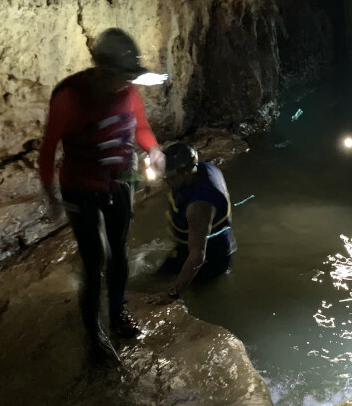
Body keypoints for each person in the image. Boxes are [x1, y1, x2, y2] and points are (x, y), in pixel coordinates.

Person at [38, 28, 165, 364]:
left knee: (119, 254)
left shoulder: (128, 90)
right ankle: (95, 335)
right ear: (101, 69)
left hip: (122, 181)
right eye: (120, 77)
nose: (126, 83)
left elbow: (139, 126)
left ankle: (117, 313)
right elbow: (48, 148)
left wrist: (153, 149)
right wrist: (52, 197)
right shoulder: (69, 96)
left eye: (129, 78)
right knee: (94, 262)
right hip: (81, 186)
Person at [157, 144, 236, 298]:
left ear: (187, 172)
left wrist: (172, 294)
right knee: (155, 279)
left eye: (172, 177)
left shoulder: (199, 207)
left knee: (197, 295)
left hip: (209, 261)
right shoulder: (203, 168)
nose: (167, 181)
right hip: (187, 247)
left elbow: (197, 257)